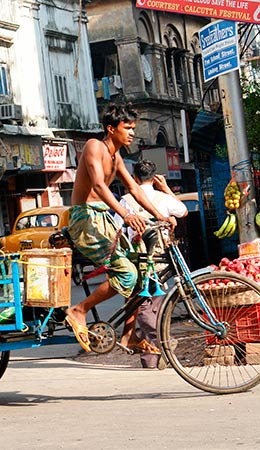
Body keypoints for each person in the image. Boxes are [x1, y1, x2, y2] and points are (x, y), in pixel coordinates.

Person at [64, 103, 167, 353]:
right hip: (84, 219)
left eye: (133, 128)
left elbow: (133, 188)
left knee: (141, 271)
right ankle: (79, 310)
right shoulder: (94, 146)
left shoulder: (116, 156)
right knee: (126, 274)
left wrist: (159, 214)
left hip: (103, 219)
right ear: (111, 129)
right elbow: (99, 186)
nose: (132, 133)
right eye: (127, 128)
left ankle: (128, 336)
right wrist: (126, 214)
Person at [113, 160, 188, 368]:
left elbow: (119, 228)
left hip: (136, 257)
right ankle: (159, 347)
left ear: (134, 178)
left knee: (144, 304)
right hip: (160, 257)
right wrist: (166, 189)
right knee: (153, 305)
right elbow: (183, 212)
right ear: (154, 177)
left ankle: (152, 357)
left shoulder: (127, 200)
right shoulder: (163, 197)